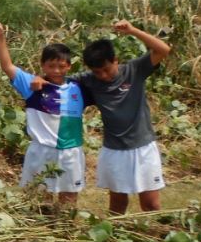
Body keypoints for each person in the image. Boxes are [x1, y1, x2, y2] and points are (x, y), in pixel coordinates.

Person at [73, 20, 172, 214]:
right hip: (114, 150)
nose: (103, 75)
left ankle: (157, 232)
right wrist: (39, 80)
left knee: (151, 205)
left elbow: (163, 50)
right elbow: (57, 81)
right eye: (97, 72)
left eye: (106, 69)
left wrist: (133, 31)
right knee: (117, 207)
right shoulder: (88, 80)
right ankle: (115, 233)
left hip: (143, 148)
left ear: (116, 60)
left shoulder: (134, 70)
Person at [0, 23, 87, 202]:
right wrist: (0, 38)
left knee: (69, 198)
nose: (56, 70)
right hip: (42, 151)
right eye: (51, 66)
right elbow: (7, 66)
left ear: (69, 66)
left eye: (61, 66)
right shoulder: (32, 86)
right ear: (43, 65)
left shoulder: (79, 87)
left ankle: (65, 220)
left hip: (71, 150)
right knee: (40, 199)